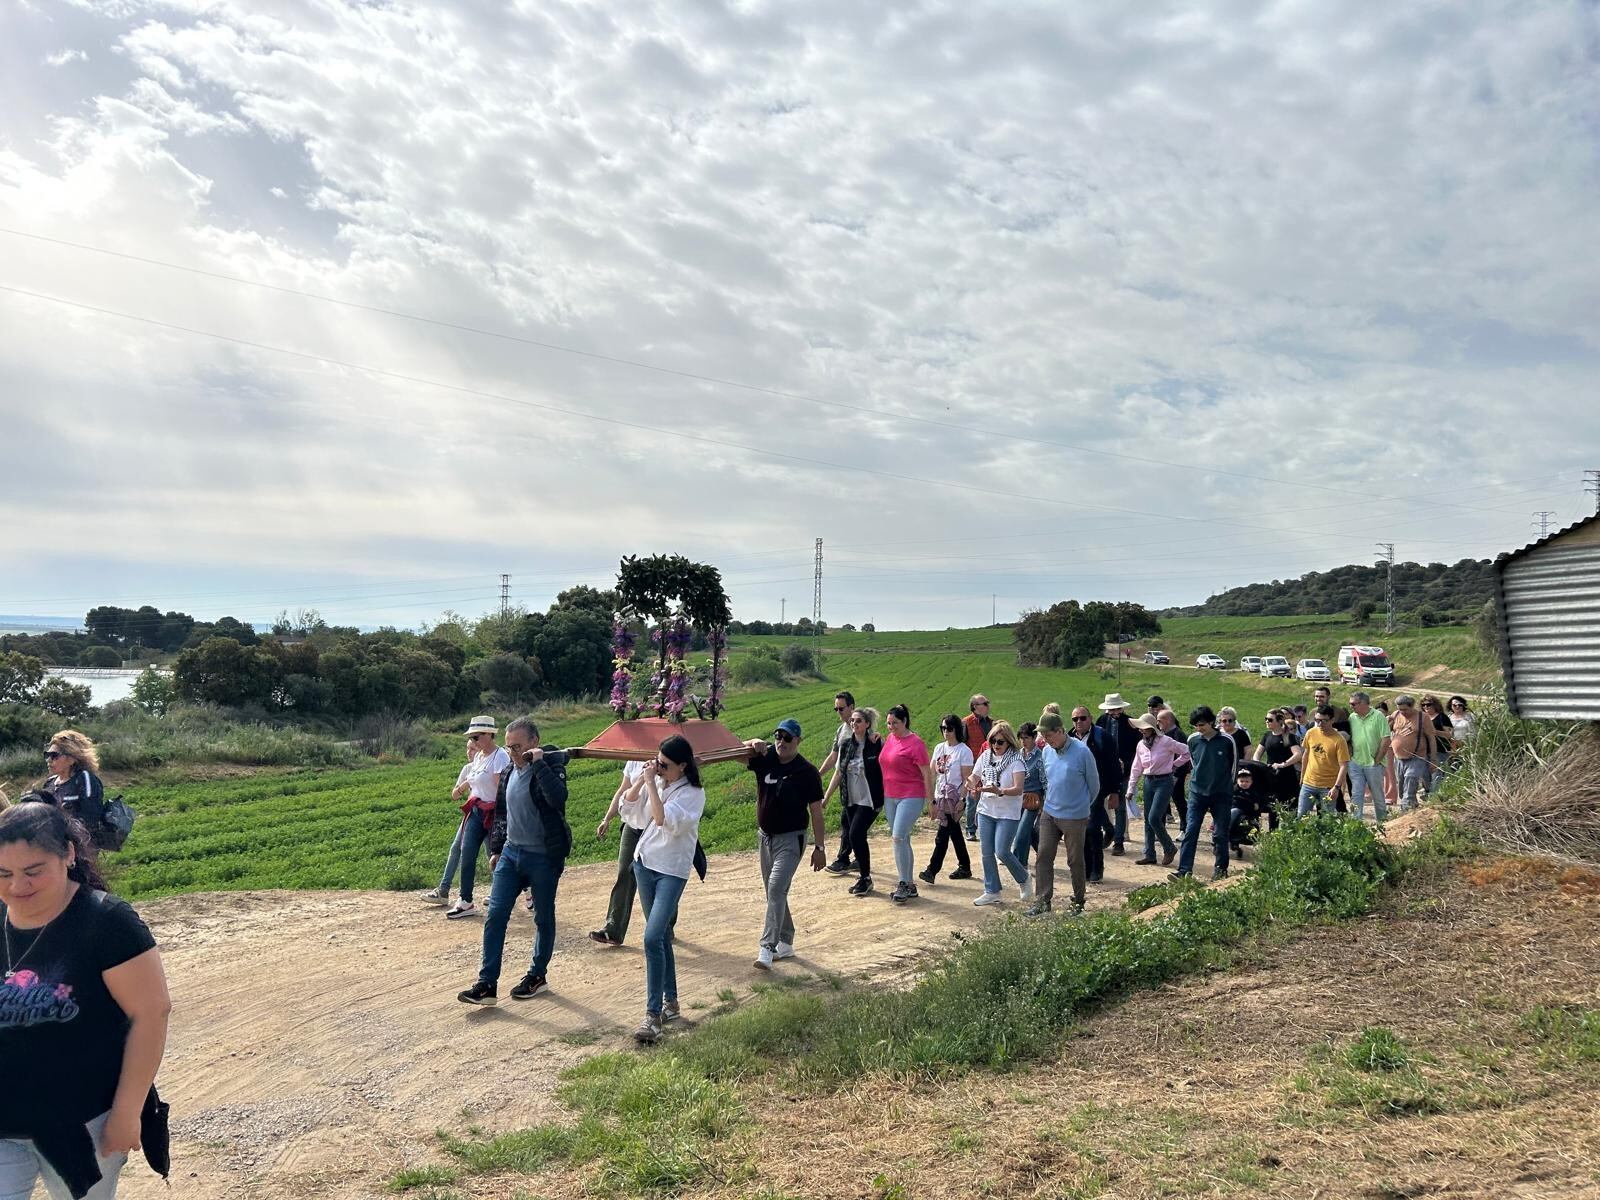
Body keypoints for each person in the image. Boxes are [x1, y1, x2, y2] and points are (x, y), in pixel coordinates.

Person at [0, 803, 170, 1200]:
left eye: (33, 871)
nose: (16, 887)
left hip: (84, 1120)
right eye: (3, 874)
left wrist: (127, 1113)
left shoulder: (106, 922)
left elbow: (150, 1013)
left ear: (69, 854)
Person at [457, 718, 571, 1007]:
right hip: (511, 853)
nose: (513, 753)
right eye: (509, 748)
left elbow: (558, 800)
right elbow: (501, 814)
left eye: (518, 747)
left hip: (543, 857)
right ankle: (487, 984)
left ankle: (537, 975)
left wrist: (539, 764)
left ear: (535, 742)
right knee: (495, 916)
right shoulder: (508, 771)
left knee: (543, 917)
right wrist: (495, 849)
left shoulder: (552, 767)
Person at [627, 735, 707, 1044]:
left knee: (651, 936)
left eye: (665, 765)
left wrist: (651, 783)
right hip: (645, 865)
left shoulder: (694, 795)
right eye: (657, 761)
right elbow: (631, 811)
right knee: (659, 937)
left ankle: (653, 1016)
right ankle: (671, 1002)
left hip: (671, 872)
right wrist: (641, 781)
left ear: (683, 766)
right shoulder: (660, 784)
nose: (659, 768)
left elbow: (662, 820)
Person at [742, 720, 826, 969]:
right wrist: (752, 743)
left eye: (787, 738)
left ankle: (767, 947)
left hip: (792, 839)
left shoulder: (807, 772)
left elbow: (817, 812)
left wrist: (819, 848)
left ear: (798, 740)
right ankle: (786, 942)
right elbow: (737, 753)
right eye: (778, 736)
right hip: (765, 837)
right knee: (773, 891)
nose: (781, 742)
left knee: (776, 888)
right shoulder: (766, 758)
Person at [438, 718, 513, 919]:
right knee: (467, 851)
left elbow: (502, 789)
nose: (473, 741)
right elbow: (474, 780)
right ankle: (465, 901)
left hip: (494, 814)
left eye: (476, 737)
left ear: (489, 735)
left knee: (497, 856)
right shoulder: (479, 757)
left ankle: (515, 891)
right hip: (476, 811)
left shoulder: (500, 757)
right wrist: (461, 789)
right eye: (471, 737)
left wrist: (503, 819)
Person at [1027, 713, 1100, 915]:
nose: (1045, 740)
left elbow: (1094, 786)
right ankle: (1042, 901)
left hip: (1074, 816)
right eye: (1043, 736)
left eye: (1048, 735)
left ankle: (1078, 902)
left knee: (1075, 860)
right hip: (1049, 812)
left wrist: (1081, 808)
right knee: (1043, 856)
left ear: (1060, 731)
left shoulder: (1082, 752)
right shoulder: (1047, 752)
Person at [1173, 706, 1237, 883]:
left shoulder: (1227, 740)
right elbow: (1194, 762)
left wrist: (1227, 787)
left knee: (1220, 833)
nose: (1199, 729)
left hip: (1221, 793)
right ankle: (1184, 870)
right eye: (1195, 726)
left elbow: (1233, 766)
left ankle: (1220, 870)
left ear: (1211, 722)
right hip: (1197, 793)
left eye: (1201, 725)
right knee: (1191, 830)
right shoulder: (1193, 740)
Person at [589, 760, 649, 946]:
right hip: (632, 825)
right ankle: (613, 928)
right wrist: (607, 818)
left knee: (655, 877)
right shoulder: (632, 758)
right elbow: (623, 789)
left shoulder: (663, 754)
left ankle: (664, 924)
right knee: (625, 872)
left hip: (656, 827)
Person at [968, 721, 1028, 906]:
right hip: (986, 809)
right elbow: (974, 776)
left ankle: (1024, 879)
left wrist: (999, 791)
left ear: (1009, 741)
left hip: (1007, 812)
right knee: (986, 852)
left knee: (1001, 851)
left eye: (1000, 741)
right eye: (993, 740)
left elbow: (1018, 789)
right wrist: (969, 783)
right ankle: (992, 890)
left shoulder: (1016, 761)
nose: (996, 745)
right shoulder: (986, 757)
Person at [878, 706, 934, 905]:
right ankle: (910, 884)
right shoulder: (891, 738)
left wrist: (931, 801)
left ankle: (902, 882)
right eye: (889, 723)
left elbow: (927, 773)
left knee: (898, 837)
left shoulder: (916, 743)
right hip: (890, 795)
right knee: (903, 839)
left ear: (905, 722)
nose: (891, 726)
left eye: (895, 723)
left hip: (911, 795)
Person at [825, 708, 884, 896]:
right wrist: (826, 797)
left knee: (856, 834)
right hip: (851, 799)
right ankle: (865, 877)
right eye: (852, 721)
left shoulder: (876, 743)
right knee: (855, 836)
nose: (854, 724)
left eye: (858, 721)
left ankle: (865, 877)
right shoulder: (846, 745)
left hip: (870, 799)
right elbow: (839, 772)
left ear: (867, 724)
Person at [1125, 714, 1190, 867]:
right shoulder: (1141, 745)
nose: (1141, 730)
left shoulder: (1166, 741)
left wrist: (1174, 765)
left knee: (1154, 817)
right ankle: (1149, 854)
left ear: (1152, 729)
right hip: (1148, 781)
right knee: (1148, 819)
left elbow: (1186, 751)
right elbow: (1136, 767)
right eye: (1140, 728)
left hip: (1164, 781)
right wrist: (1130, 788)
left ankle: (1169, 848)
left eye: (1144, 728)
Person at [919, 715, 974, 884]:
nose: (946, 732)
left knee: (942, 835)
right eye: (943, 728)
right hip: (940, 797)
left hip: (954, 798)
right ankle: (965, 866)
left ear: (957, 729)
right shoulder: (938, 748)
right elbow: (932, 774)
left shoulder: (964, 751)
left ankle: (932, 870)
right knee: (954, 832)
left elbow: (967, 779)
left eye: (949, 728)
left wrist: (962, 800)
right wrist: (931, 799)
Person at [1072, 705, 1120, 884]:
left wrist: (1116, 791)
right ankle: (1087, 868)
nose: (1079, 722)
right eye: (1075, 719)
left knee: (1092, 828)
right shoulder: (1069, 738)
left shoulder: (1103, 737)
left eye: (1082, 718)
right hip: (1076, 791)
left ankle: (1097, 869)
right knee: (1081, 829)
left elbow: (1114, 765)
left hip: (1097, 789)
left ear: (1090, 719)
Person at [819, 691, 866, 873]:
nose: (838, 712)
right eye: (836, 708)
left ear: (852, 707)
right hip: (847, 786)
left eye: (841, 708)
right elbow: (834, 757)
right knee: (851, 823)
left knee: (849, 823)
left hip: (860, 786)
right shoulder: (841, 731)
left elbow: (841, 769)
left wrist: (827, 795)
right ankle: (859, 859)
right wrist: (818, 774)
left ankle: (843, 859)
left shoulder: (861, 731)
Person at [40, 731, 107, 844]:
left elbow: (90, 818)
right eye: (47, 755)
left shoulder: (85, 779)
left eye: (54, 756)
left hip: (81, 848)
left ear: (72, 758)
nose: (49, 760)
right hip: (53, 846)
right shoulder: (49, 783)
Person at [1094, 695, 1139, 856]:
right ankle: (1108, 829)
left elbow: (1137, 749)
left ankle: (1118, 842)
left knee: (1120, 807)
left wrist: (1126, 763)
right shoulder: (1101, 721)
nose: (1115, 712)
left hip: (1123, 771)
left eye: (1118, 708)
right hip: (1103, 770)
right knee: (1097, 802)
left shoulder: (1130, 723)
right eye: (1112, 709)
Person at [1345, 693, 1391, 824]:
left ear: (1364, 703)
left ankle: (1383, 823)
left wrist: (1378, 759)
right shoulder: (1352, 717)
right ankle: (1356, 823)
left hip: (1374, 763)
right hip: (1355, 762)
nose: (1351, 706)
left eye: (1353, 704)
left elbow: (1386, 739)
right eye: (1350, 703)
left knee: (1377, 794)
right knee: (1356, 793)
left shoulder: (1378, 716)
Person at [1297, 705, 1351, 816]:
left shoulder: (1339, 740)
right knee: (1301, 816)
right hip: (1308, 783)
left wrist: (1336, 788)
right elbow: (1306, 755)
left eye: (1324, 721)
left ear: (1332, 720)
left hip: (1328, 787)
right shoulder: (1311, 733)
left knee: (1326, 819)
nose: (1320, 724)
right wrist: (1302, 777)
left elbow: (1344, 766)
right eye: (1317, 720)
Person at [1252, 709, 1302, 828]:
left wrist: (1283, 764)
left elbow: (1298, 754)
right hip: (1271, 777)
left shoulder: (1289, 736)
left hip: (1287, 778)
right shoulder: (1267, 735)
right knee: (1273, 808)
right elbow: (1257, 753)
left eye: (1270, 720)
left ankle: (1291, 835)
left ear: (1280, 721)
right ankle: (1273, 833)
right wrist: (1258, 764)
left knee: (1290, 809)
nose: (1267, 722)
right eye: (1266, 719)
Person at [1388, 696, 1435, 813]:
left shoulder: (1423, 717)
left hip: (1417, 757)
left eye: (1405, 710)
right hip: (1399, 759)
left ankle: (1405, 810)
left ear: (1411, 707)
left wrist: (1433, 759)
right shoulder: (1396, 715)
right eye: (1400, 709)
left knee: (1411, 780)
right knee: (1402, 786)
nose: (1402, 712)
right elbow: (1388, 730)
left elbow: (1431, 738)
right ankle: (1412, 808)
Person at [1011, 722, 1045, 872]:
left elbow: (1045, 781)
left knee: (1021, 833)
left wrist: (1045, 803)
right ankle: (1042, 855)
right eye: (1021, 738)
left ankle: (1019, 864)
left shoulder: (1040, 757)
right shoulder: (1017, 756)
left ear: (1034, 738)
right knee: (1025, 832)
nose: (1023, 741)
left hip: (1033, 799)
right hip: (1018, 798)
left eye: (1026, 737)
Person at [961, 695, 994, 840]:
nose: (988, 705)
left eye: (987, 703)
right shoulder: (966, 723)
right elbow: (961, 745)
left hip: (991, 764)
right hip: (974, 764)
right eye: (984, 703)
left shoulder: (992, 723)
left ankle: (985, 827)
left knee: (987, 797)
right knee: (972, 798)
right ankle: (970, 829)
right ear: (974, 706)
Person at [1156, 707, 1191, 835]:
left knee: (1178, 799)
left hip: (1176, 774)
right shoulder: (1162, 734)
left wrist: (1175, 773)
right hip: (1163, 774)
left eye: (1159, 721)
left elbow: (1184, 756)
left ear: (1168, 720)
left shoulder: (1178, 735)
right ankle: (1161, 830)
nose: (1157, 723)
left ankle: (1185, 828)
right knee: (1163, 802)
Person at [1421, 696, 1455, 796]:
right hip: (1424, 750)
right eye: (1423, 705)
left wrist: (1434, 732)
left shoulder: (1441, 717)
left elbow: (1449, 734)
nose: (1426, 707)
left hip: (1440, 750)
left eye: (1428, 704)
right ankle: (1428, 791)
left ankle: (1433, 795)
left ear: (1435, 705)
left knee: (1437, 773)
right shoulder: (1422, 718)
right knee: (1424, 774)